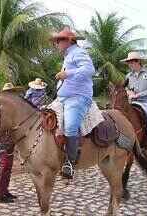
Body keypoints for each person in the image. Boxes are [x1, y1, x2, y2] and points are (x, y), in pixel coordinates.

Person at [51, 27, 96, 179]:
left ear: (69, 40)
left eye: (59, 40)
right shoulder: (68, 56)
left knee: (70, 127)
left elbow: (90, 69)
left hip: (77, 97)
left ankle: (69, 163)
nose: (56, 43)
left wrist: (67, 73)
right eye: (56, 40)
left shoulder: (79, 52)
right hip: (63, 98)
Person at [122, 51, 147, 154]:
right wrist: (128, 92)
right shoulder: (128, 76)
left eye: (132, 62)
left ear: (138, 62)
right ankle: (124, 142)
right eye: (128, 62)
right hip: (132, 103)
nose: (130, 64)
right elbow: (125, 89)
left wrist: (138, 95)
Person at [0, 83, 19, 203]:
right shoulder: (1, 107)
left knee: (8, 167)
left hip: (10, 141)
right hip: (2, 140)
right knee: (4, 166)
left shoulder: (10, 107)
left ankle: (5, 190)